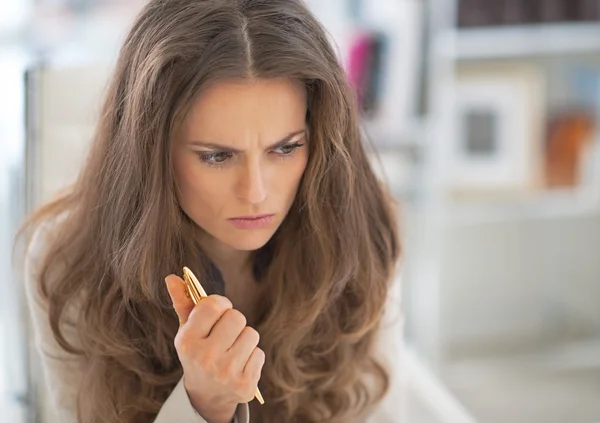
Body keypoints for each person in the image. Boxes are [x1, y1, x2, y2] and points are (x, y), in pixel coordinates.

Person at [20, 0, 404, 422]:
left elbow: (376, 411)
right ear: (152, 154)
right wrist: (201, 404)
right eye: (218, 157)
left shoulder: (362, 222)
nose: (256, 193)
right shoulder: (69, 260)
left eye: (286, 148)